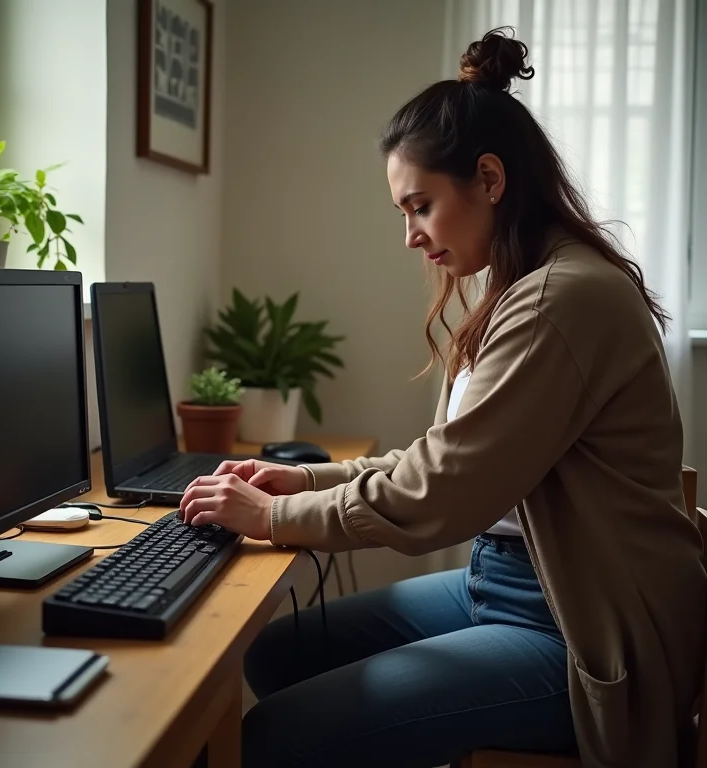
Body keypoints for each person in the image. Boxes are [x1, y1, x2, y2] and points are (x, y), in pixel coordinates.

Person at [180, 28, 707, 768]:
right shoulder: (523, 286)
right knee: (278, 654)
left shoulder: (560, 300)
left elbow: (440, 496)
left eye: (419, 206)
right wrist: (303, 480)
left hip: (581, 626)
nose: (410, 236)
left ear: (489, 180)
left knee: (270, 739)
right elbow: (442, 460)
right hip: (511, 584)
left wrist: (273, 517)